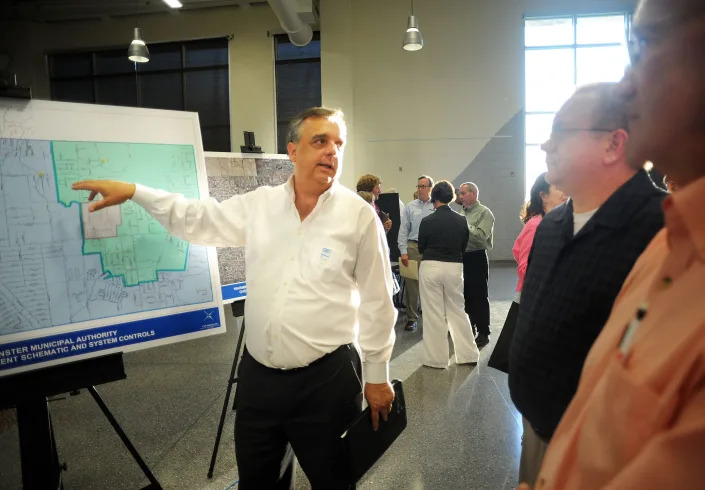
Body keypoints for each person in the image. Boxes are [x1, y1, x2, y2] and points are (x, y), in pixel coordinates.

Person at [72, 107, 397, 489]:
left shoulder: (358, 217)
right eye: (320, 141)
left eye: (338, 144)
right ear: (293, 151)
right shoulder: (260, 205)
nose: (332, 152)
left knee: (334, 481)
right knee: (257, 482)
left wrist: (378, 375)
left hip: (327, 381)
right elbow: (196, 218)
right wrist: (134, 192)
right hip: (260, 382)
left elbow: (377, 302)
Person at [522, 1, 705, 488]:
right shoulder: (673, 240)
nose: (626, 86)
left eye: (643, 47)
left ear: (612, 145)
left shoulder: (653, 228)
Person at [508, 83, 666, 487]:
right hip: (538, 430)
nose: (546, 145)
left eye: (561, 132)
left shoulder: (660, 229)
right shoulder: (552, 226)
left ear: (614, 144)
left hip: (609, 455)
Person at [488, 172, 566, 373]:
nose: (565, 191)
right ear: (544, 195)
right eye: (559, 187)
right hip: (535, 299)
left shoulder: (557, 222)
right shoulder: (536, 225)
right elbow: (525, 268)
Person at [417, 180, 480, 368]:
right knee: (457, 309)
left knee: (433, 312)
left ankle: (436, 359)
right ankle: (468, 354)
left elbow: (421, 246)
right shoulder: (461, 220)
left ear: (434, 198)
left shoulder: (427, 221)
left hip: (430, 266)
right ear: (452, 198)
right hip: (454, 266)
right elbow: (463, 246)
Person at [456, 182, 495, 348]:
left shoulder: (485, 213)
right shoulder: (461, 212)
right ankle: (469, 327)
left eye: (463, 193)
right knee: (464, 294)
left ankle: (484, 332)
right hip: (462, 257)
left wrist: (463, 224)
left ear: (473, 194)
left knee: (479, 295)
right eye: (460, 193)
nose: (460, 196)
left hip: (477, 257)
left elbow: (480, 237)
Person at [398, 175, 435, 331]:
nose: (419, 189)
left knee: (431, 284)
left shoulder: (436, 206)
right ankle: (412, 318)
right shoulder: (410, 207)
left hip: (432, 249)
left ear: (430, 188)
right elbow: (403, 231)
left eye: (423, 186)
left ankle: (431, 318)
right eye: (418, 186)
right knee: (412, 285)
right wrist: (403, 251)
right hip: (413, 248)